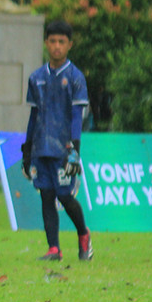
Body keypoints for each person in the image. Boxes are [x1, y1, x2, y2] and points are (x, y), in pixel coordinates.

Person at [21, 19, 93, 261]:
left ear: (70, 45)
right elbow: (33, 115)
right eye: (52, 41)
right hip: (42, 147)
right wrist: (27, 150)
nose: (56, 46)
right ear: (46, 43)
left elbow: (76, 115)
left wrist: (74, 149)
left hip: (64, 149)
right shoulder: (36, 77)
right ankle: (54, 248)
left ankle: (83, 235)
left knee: (64, 195)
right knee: (46, 195)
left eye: (62, 42)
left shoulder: (75, 77)